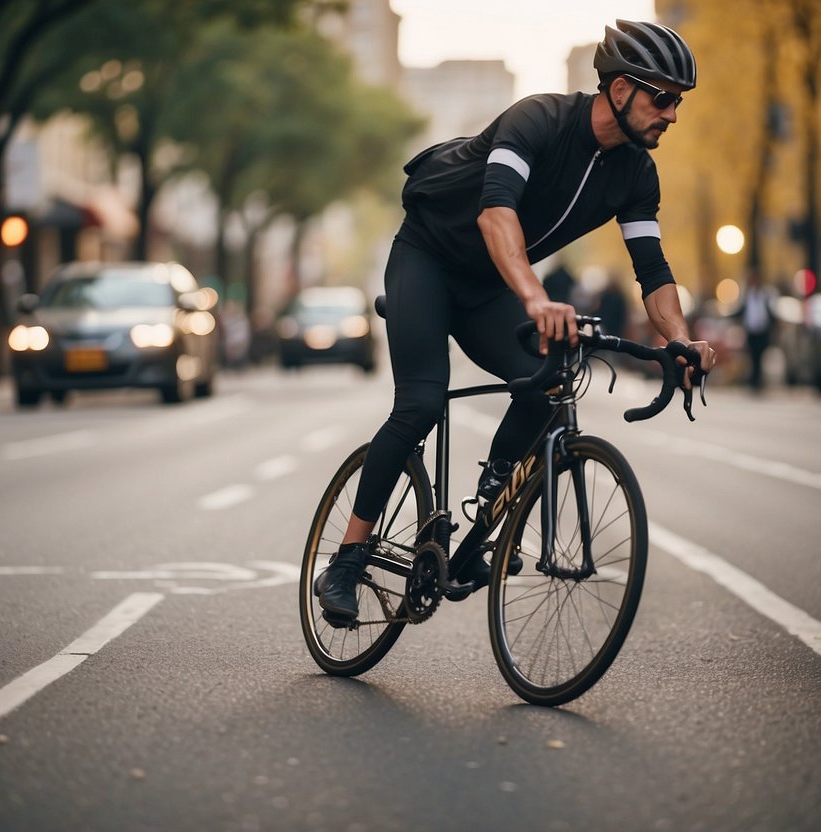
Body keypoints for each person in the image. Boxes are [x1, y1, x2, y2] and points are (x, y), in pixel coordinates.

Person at [313, 19, 717, 624]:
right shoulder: (538, 120)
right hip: (428, 257)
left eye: (678, 100)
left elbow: (653, 271)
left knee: (549, 378)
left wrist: (679, 339)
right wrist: (534, 298)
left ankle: (487, 511)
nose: (672, 114)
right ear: (619, 88)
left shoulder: (636, 172)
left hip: (487, 287)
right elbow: (496, 215)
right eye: (662, 97)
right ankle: (347, 558)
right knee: (420, 404)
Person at [738, 269, 776, 392]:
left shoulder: (765, 296)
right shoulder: (747, 296)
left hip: (762, 331)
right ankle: (754, 380)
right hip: (751, 331)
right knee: (753, 356)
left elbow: (770, 312)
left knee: (760, 356)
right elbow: (742, 311)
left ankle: (758, 379)